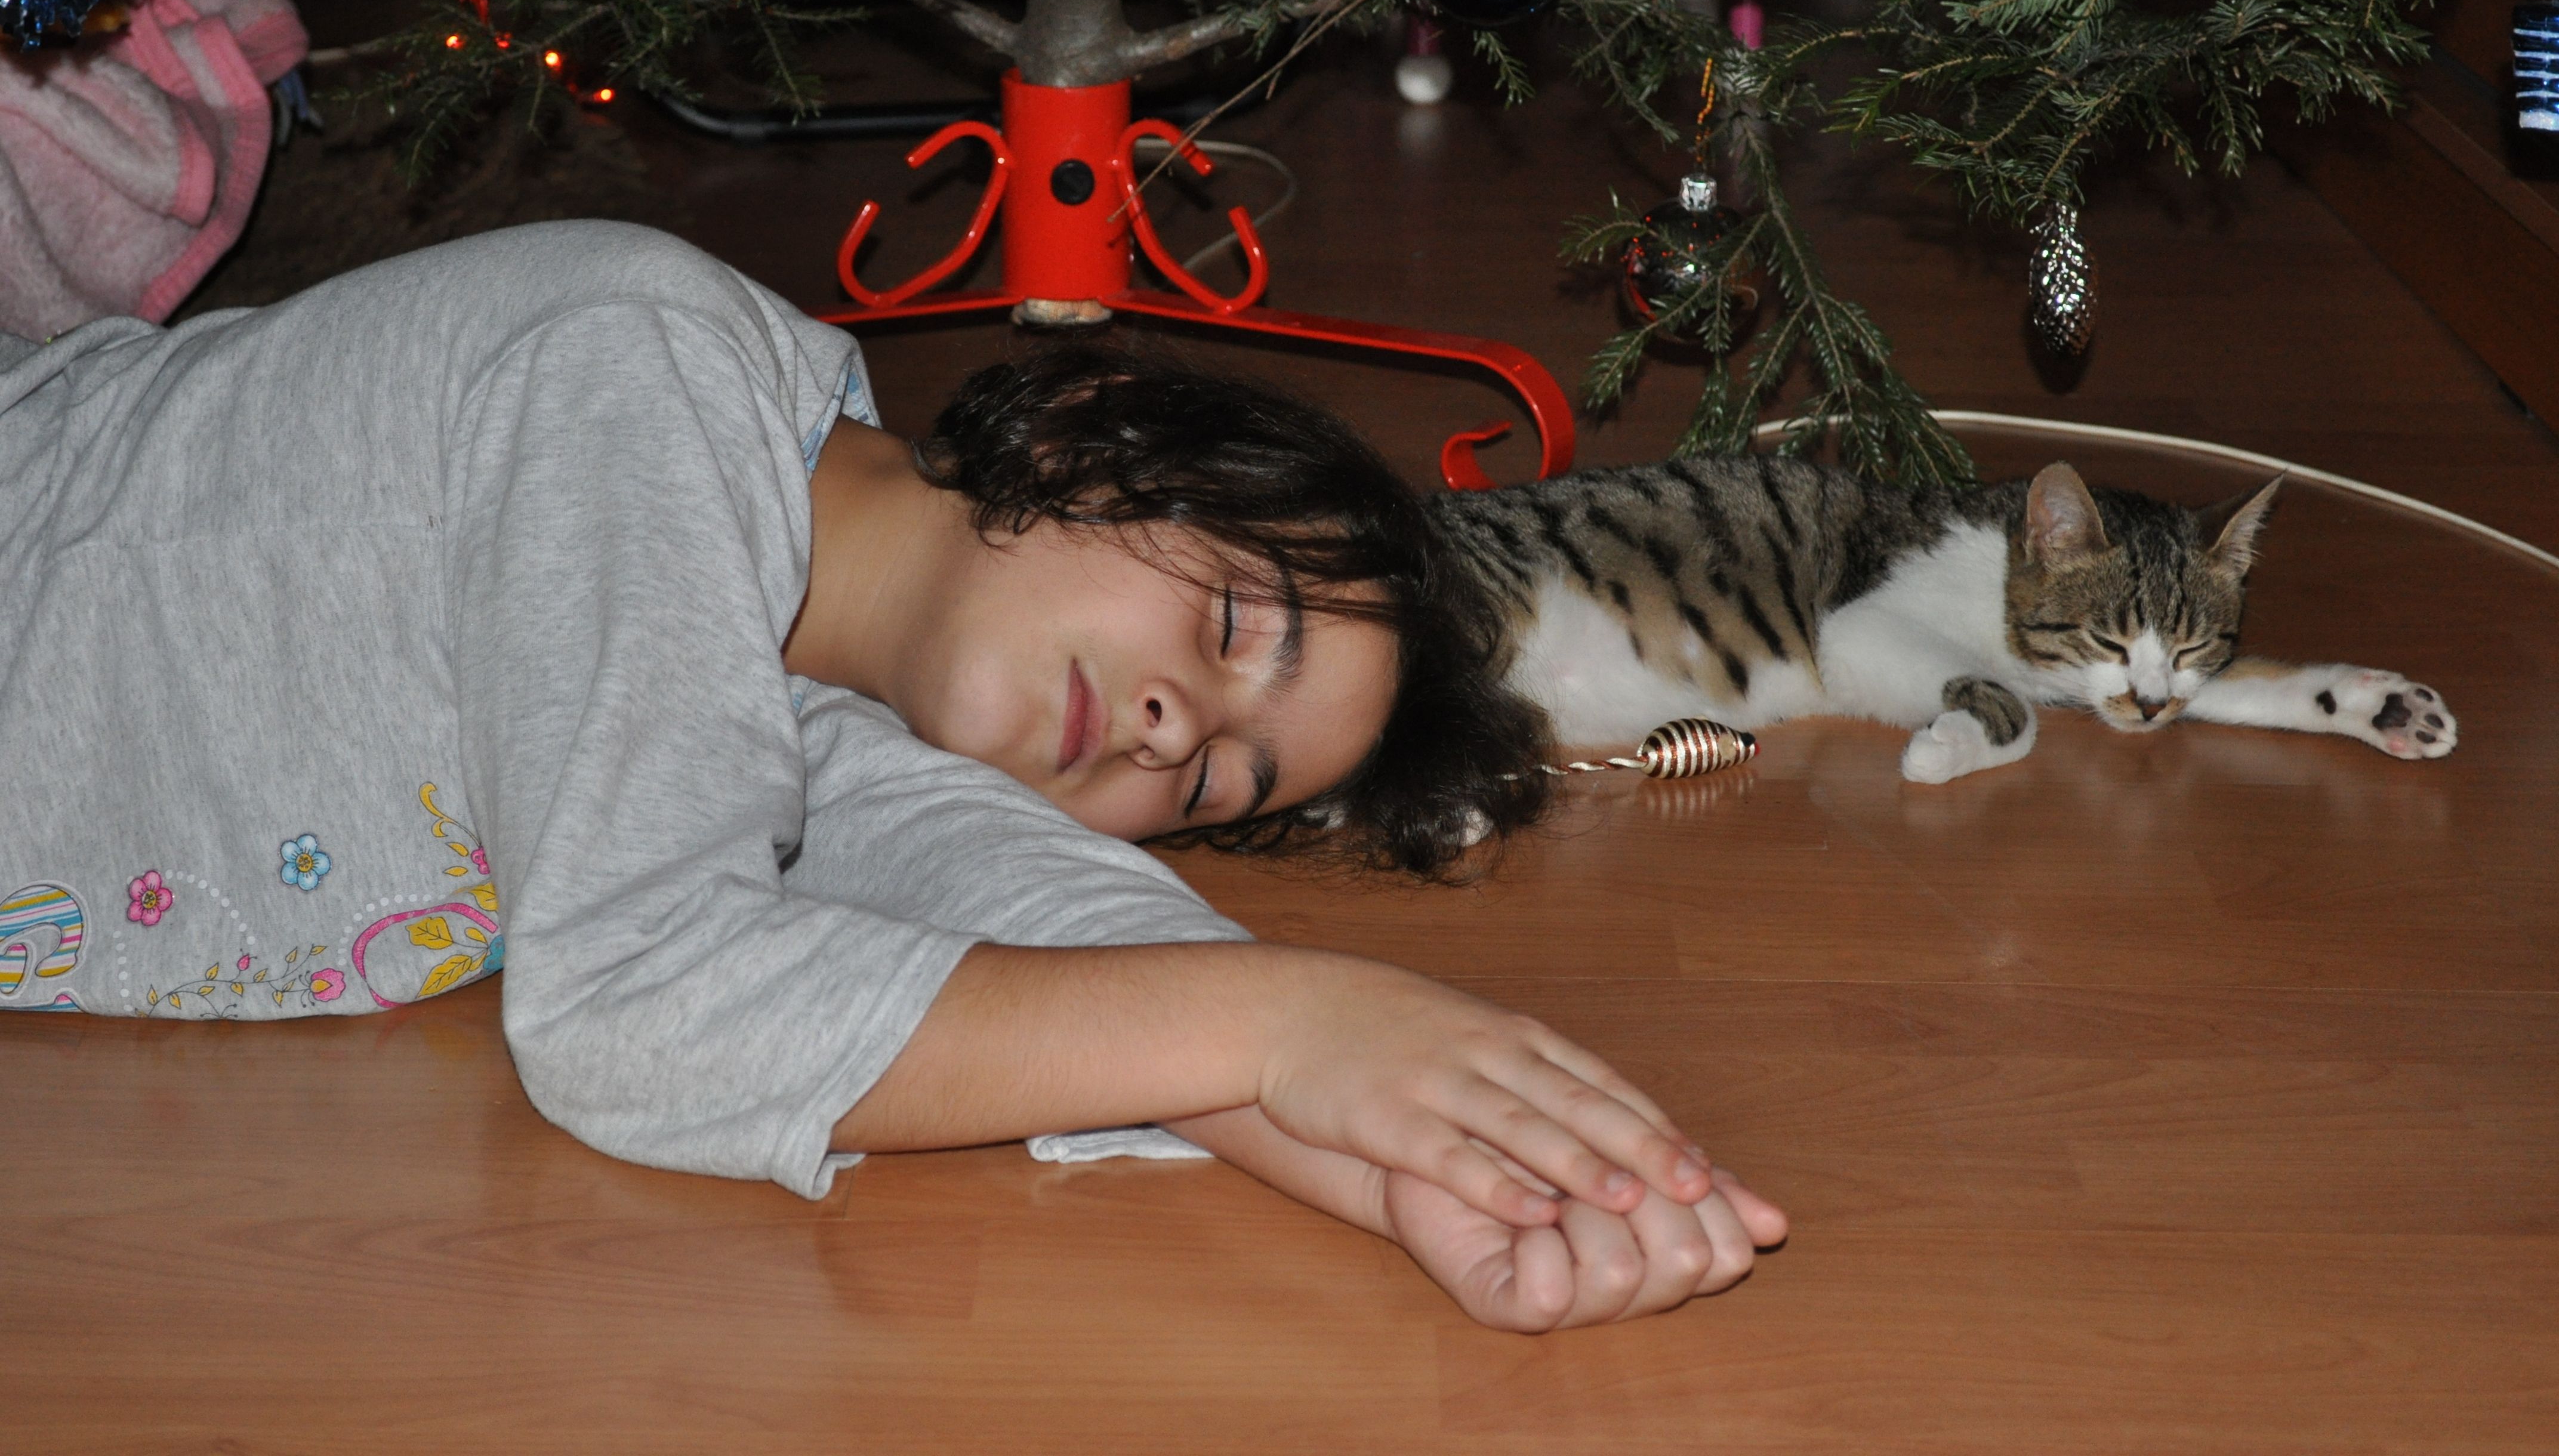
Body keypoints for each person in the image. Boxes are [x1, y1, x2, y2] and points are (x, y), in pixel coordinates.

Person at [0, 220, 1784, 1331]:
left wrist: (1418, 1172)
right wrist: (1296, 1024)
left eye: (1215, 789)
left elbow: (1068, 933)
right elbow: (634, 1000)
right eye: (1233, 625)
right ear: (1085, 436)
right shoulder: (639, 376)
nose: (1175, 734)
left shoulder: (823, 681)